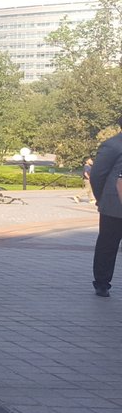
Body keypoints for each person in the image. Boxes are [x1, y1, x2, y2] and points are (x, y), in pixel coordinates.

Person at [90, 120, 122, 297]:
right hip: (114, 206)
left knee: (107, 246)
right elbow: (97, 175)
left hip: (111, 204)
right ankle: (102, 283)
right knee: (108, 246)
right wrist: (101, 198)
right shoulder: (112, 146)